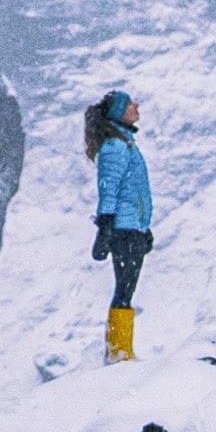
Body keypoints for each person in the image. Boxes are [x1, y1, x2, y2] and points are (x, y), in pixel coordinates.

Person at [86, 88, 153, 363]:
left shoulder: (123, 143)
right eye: (129, 104)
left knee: (127, 286)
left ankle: (120, 348)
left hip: (130, 228)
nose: (136, 105)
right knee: (124, 288)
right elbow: (109, 188)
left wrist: (143, 228)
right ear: (119, 112)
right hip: (123, 230)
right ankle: (118, 351)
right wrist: (106, 228)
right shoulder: (115, 147)